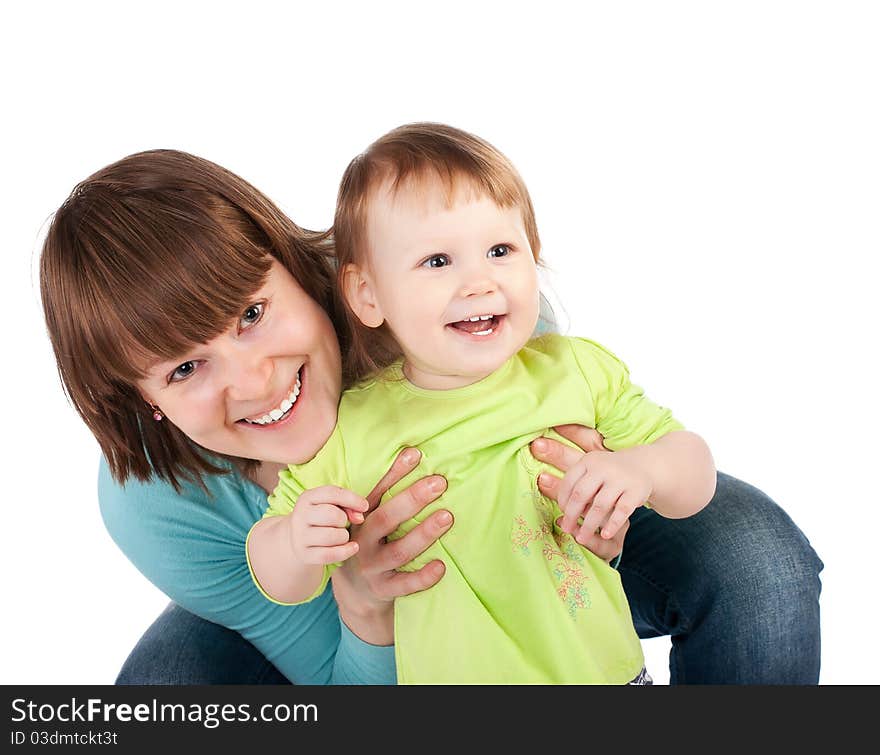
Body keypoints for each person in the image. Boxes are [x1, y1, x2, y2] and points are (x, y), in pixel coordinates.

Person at [39, 148, 823, 685]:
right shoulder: (152, 504)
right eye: (183, 367)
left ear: (304, 269)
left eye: (251, 312)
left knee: (756, 558)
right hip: (335, 620)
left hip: (529, 542)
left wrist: (600, 514)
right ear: (142, 399)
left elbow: (641, 466)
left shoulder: (448, 310)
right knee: (160, 690)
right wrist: (365, 604)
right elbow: (333, 674)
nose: (253, 380)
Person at [247, 123, 717, 684]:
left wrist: (642, 468)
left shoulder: (573, 371)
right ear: (368, 295)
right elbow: (277, 574)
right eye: (438, 261)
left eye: (500, 250)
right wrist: (299, 542)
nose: (479, 281)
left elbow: (694, 474)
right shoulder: (356, 424)